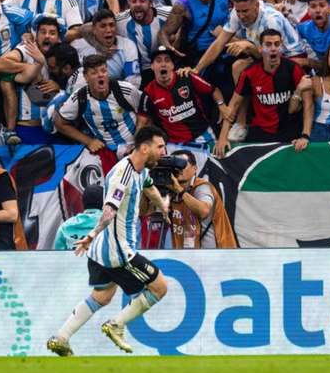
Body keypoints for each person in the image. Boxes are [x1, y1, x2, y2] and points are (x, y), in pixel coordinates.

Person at [47, 126, 171, 357]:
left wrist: (161, 205)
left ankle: (61, 337)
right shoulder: (122, 174)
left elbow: (149, 186)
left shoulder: (140, 169)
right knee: (160, 288)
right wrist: (91, 235)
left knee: (102, 296)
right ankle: (116, 324)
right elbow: (108, 211)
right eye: (160, 146)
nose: (164, 151)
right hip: (118, 251)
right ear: (145, 148)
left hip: (101, 251)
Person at [215, 29, 312, 156]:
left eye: (277, 44)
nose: (273, 48)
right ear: (260, 49)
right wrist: (223, 137)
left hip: (289, 131)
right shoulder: (249, 73)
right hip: (260, 131)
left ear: (282, 47)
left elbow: (308, 105)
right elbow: (234, 105)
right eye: (268, 44)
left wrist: (305, 135)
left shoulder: (293, 69)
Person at [54, 53, 145, 154]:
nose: (100, 75)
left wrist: (138, 139)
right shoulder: (80, 98)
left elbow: (145, 113)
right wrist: (88, 141)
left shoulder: (126, 90)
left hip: (134, 148)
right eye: (94, 73)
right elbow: (60, 123)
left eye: (103, 71)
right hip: (107, 152)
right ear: (85, 77)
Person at [142, 45, 224, 146]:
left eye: (167, 60)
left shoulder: (186, 77)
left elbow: (214, 90)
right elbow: (144, 120)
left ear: (172, 65)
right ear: (152, 66)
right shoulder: (148, 92)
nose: (163, 64)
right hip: (175, 144)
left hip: (203, 136)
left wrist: (222, 105)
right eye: (158, 61)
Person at [165, 149, 236, 249]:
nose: (178, 169)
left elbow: (204, 211)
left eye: (182, 165)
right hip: (184, 251)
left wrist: (180, 191)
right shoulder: (169, 188)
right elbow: (143, 211)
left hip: (214, 252)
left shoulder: (203, 187)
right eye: (174, 166)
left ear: (195, 169)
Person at [53, 185, 104, 251]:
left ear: (83, 202)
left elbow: (58, 257)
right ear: (104, 202)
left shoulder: (65, 227)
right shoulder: (111, 225)